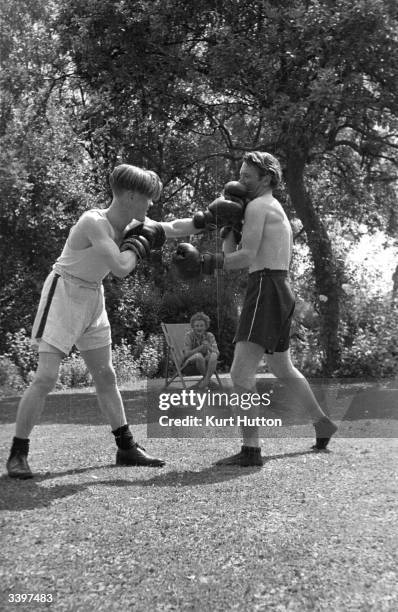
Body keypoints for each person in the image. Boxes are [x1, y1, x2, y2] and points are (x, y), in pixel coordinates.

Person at [6, 163, 205, 479]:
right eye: (147, 198)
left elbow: (173, 227)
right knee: (46, 377)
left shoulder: (134, 222)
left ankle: (126, 447)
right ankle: (18, 453)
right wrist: (139, 246)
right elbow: (121, 267)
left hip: (92, 297)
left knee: (106, 375)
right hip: (64, 292)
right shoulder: (93, 222)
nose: (150, 204)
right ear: (129, 195)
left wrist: (208, 219)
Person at [173, 151, 338, 466]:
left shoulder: (261, 206)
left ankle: (251, 450)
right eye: (241, 175)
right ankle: (322, 423)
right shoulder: (262, 208)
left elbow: (246, 257)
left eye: (248, 177)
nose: (240, 181)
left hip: (265, 288)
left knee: (240, 372)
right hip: (276, 288)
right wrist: (229, 229)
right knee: (281, 368)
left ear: (267, 179)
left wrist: (205, 262)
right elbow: (235, 253)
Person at [182, 312, 219, 389]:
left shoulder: (210, 335)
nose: (199, 328)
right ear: (193, 327)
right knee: (199, 356)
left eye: (202, 325)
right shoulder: (188, 336)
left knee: (214, 355)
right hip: (190, 364)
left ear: (206, 326)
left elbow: (217, 352)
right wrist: (200, 348)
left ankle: (204, 382)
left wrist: (208, 346)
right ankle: (208, 381)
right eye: (197, 326)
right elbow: (186, 354)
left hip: (206, 363)